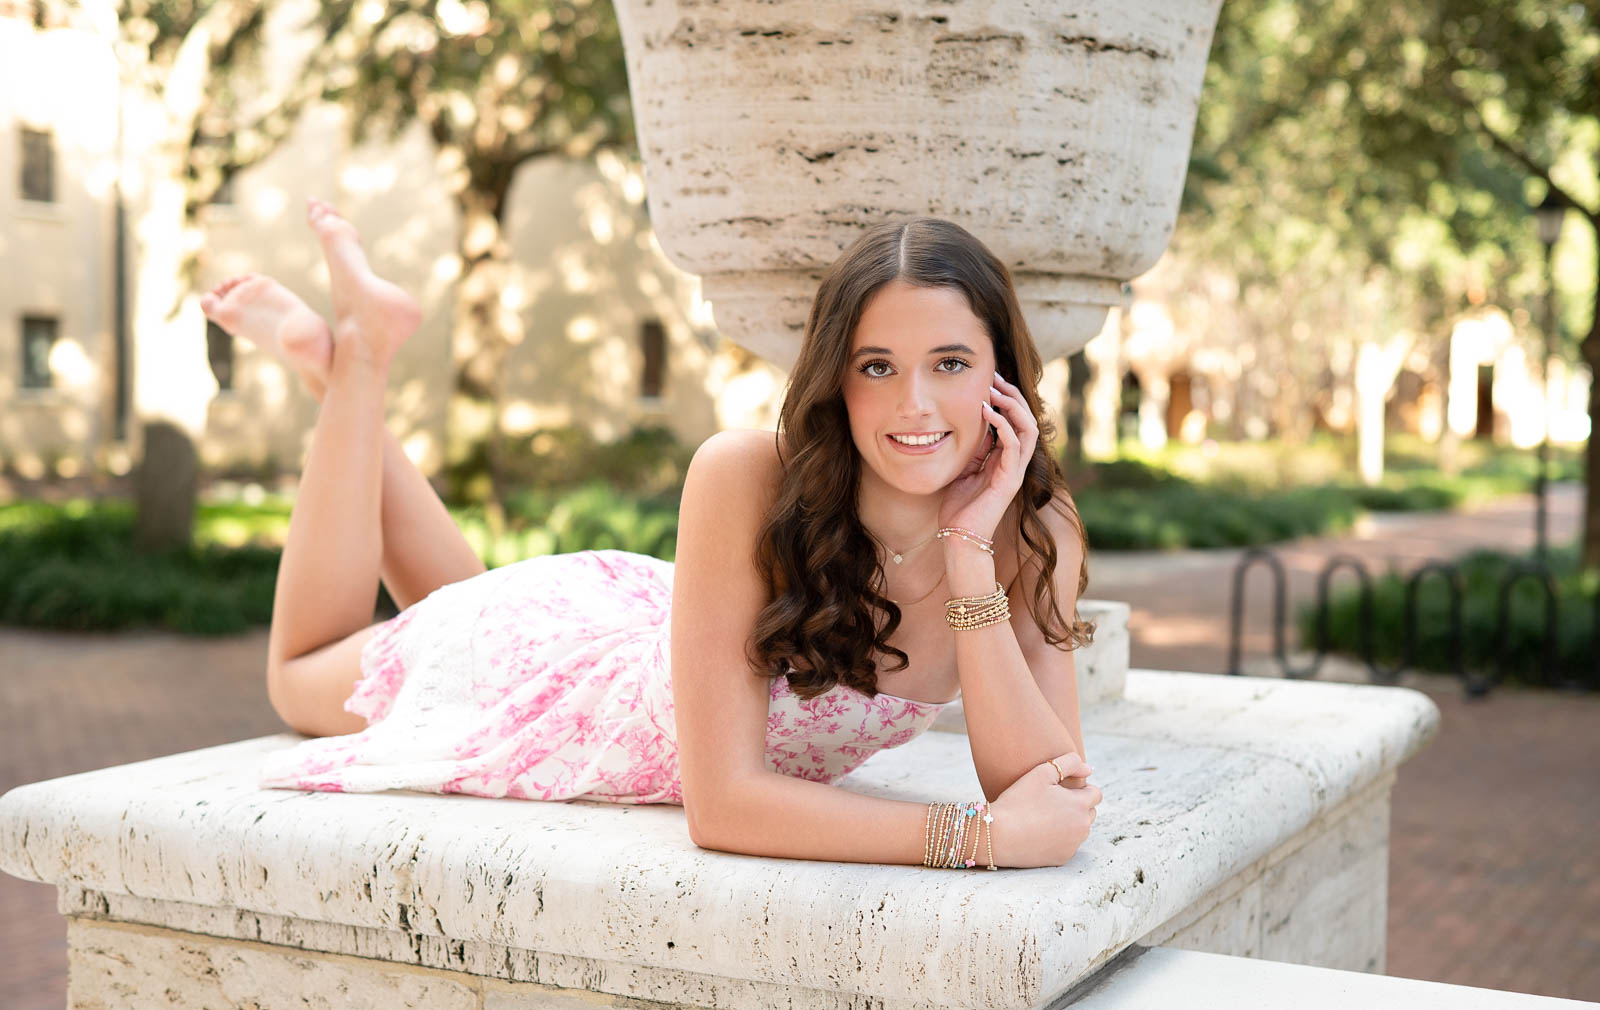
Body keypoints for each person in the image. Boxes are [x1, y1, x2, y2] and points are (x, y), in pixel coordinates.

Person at [201, 198, 1104, 870]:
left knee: (446, 609)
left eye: (950, 363)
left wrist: (970, 553)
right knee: (300, 675)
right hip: (582, 671)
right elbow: (725, 807)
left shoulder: (1034, 534)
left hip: (612, 645)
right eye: (878, 366)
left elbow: (1048, 793)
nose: (914, 404)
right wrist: (970, 840)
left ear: (1003, 378)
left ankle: (340, 365)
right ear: (836, 378)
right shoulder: (747, 473)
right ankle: (355, 363)